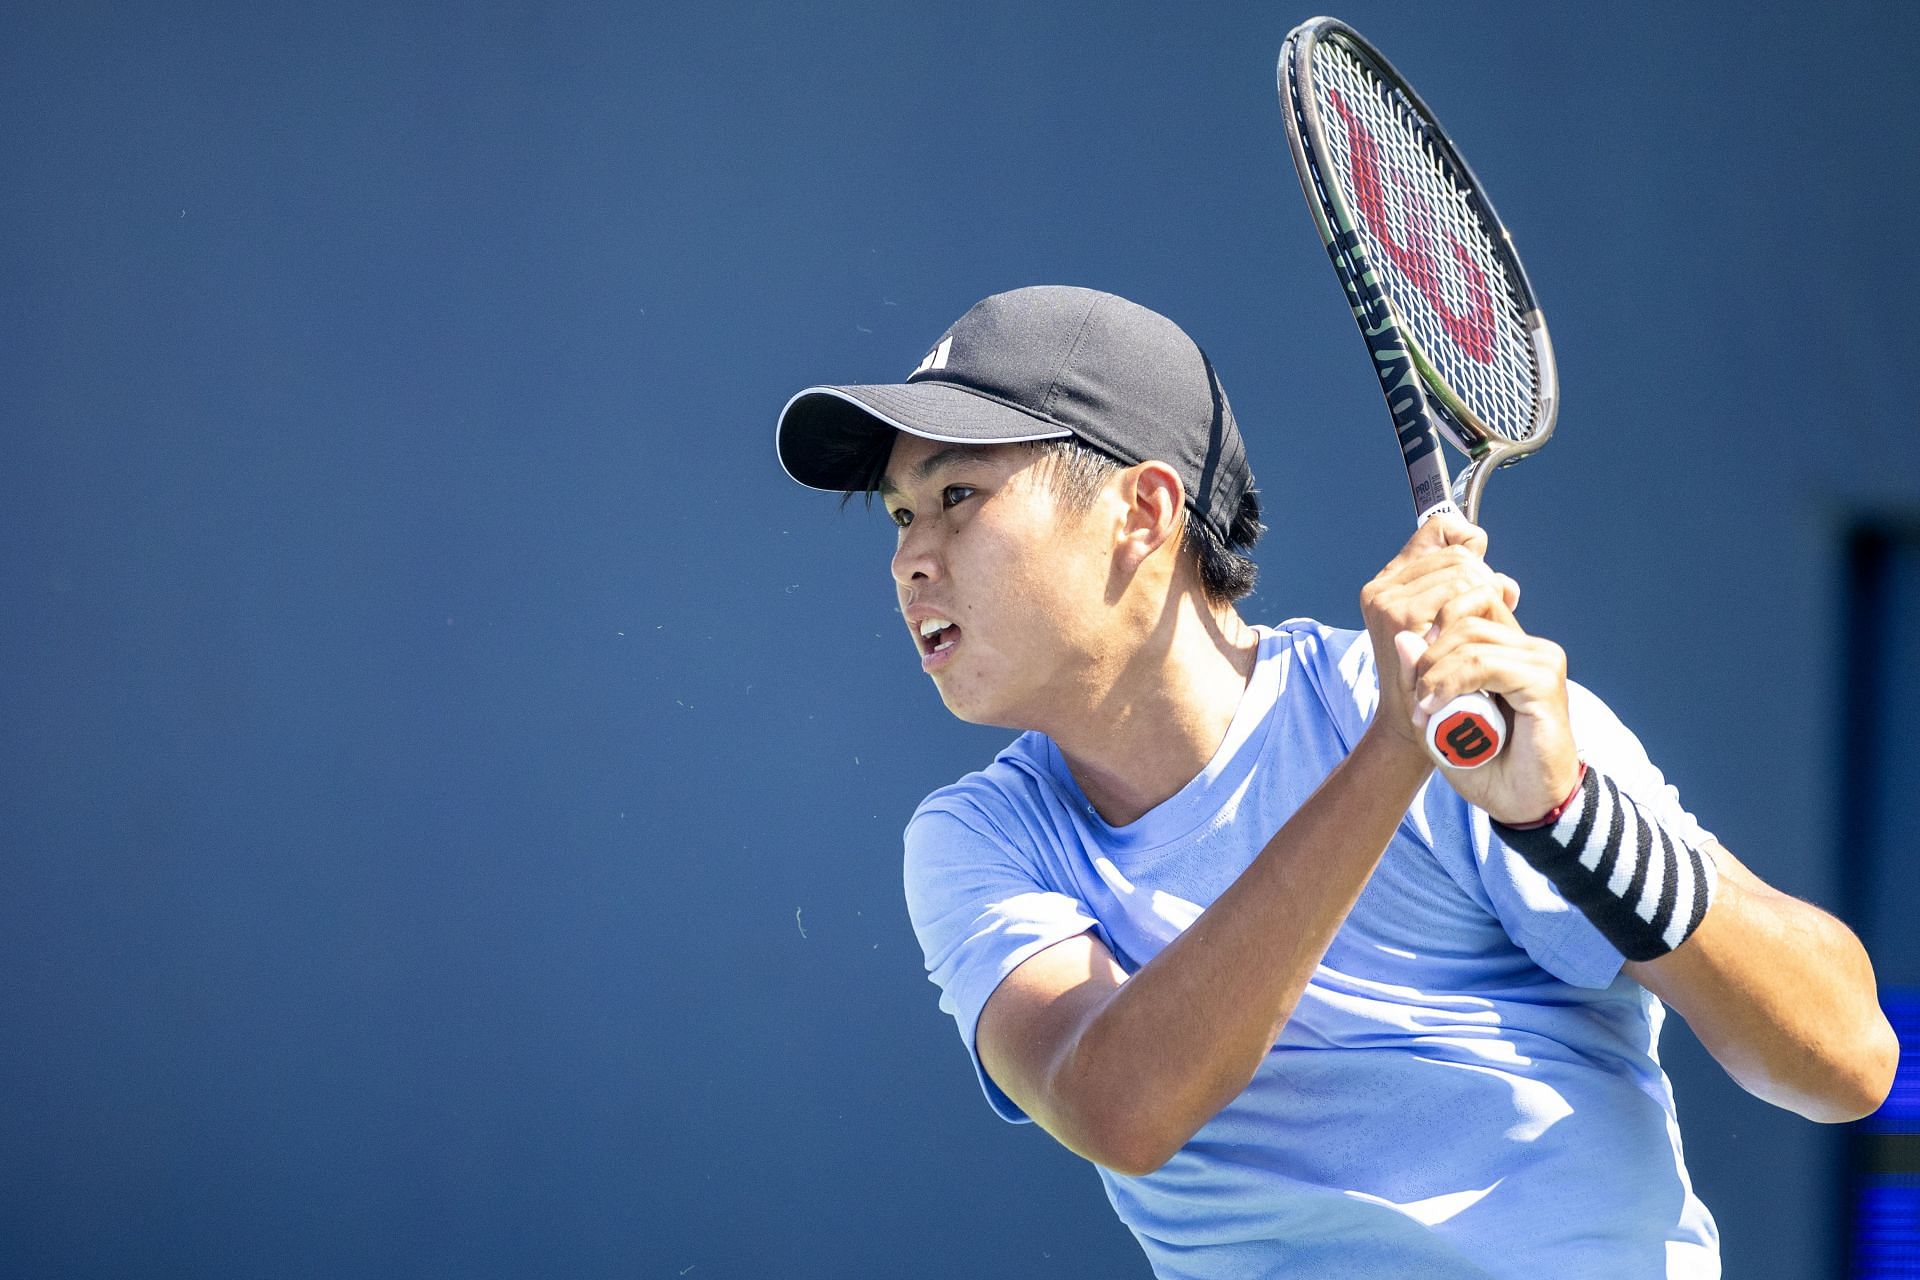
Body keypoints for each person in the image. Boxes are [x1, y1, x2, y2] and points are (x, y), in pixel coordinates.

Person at [774, 285, 1896, 1278]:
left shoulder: (1430, 710)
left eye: (959, 495)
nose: (911, 556)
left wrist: (1568, 817)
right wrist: (1393, 758)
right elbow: (1120, 1104)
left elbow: (1848, 1057)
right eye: (902, 514)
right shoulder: (981, 838)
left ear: (1145, 514)